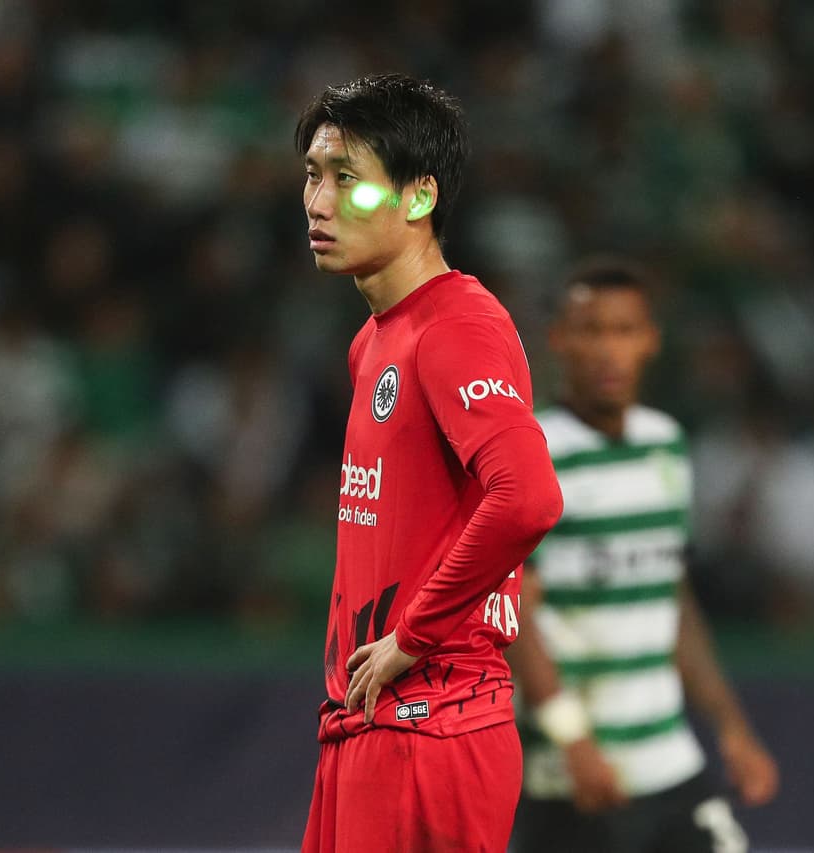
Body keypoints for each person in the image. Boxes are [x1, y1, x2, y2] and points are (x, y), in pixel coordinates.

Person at [296, 73, 564, 852]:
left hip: (433, 725)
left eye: (348, 180)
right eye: (313, 176)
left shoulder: (458, 328)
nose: (318, 202)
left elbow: (529, 499)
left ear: (418, 198)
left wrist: (412, 635)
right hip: (367, 722)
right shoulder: (374, 342)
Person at [507, 259, 780, 853]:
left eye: (625, 330)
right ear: (558, 340)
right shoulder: (532, 453)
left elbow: (671, 597)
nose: (609, 349)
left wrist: (730, 727)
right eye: (592, 330)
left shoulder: (667, 445)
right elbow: (515, 614)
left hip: (667, 756)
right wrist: (571, 739)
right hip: (569, 771)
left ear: (650, 340)